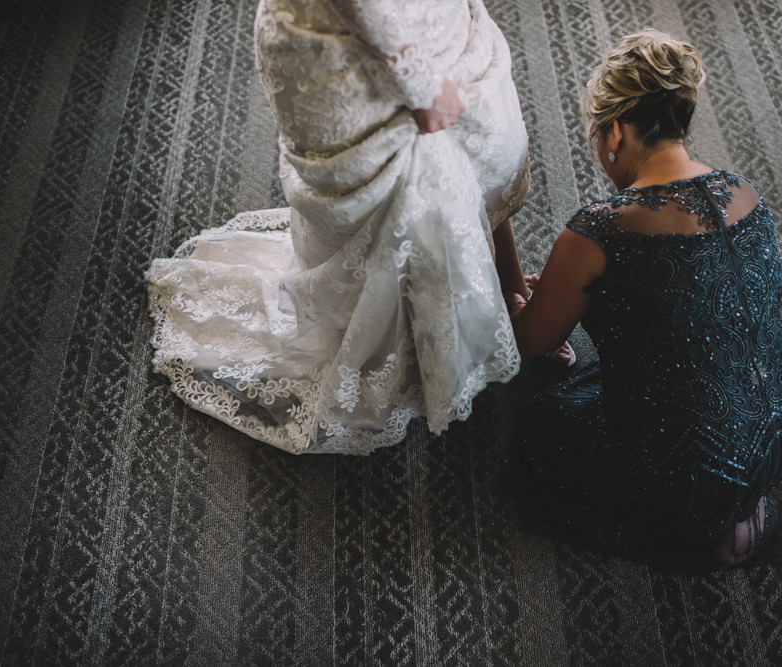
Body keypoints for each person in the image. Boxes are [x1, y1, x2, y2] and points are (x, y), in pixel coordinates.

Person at [145, 0, 570, 455]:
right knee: (408, 195)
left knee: (476, 163)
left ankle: (504, 292)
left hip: (435, 18)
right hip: (354, 42)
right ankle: (410, 347)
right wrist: (422, 85)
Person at [502, 29, 782, 569]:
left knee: (545, 429)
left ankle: (703, 518)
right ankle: (746, 501)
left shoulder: (598, 230)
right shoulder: (745, 192)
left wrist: (523, 305)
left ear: (614, 133)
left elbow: (535, 341)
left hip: (691, 466)